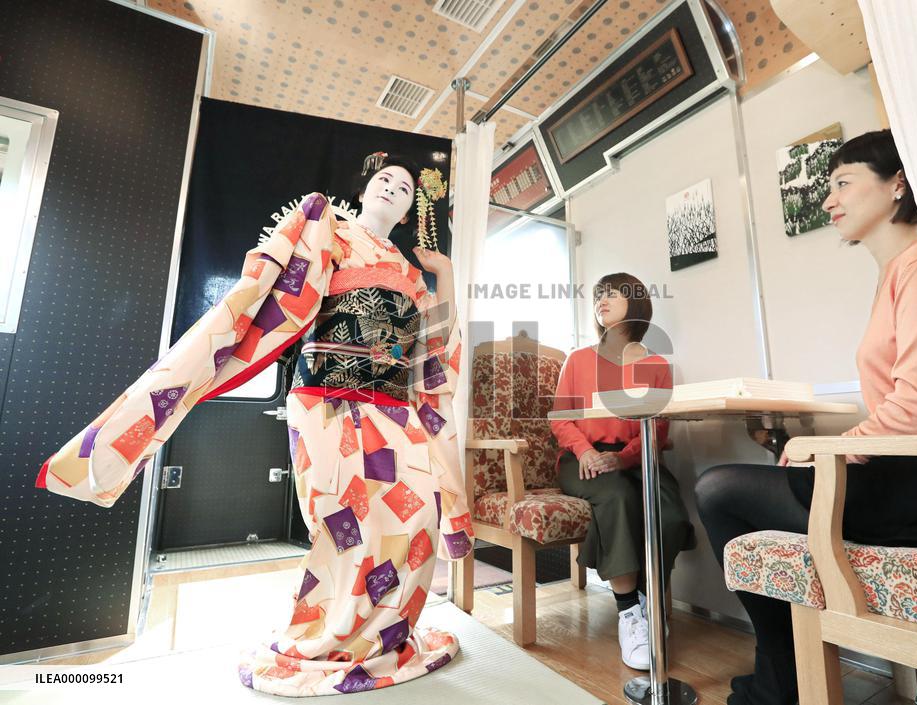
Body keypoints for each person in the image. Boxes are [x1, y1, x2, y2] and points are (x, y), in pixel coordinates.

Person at [35, 153, 473, 696]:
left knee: (418, 519)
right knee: (346, 522)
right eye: (384, 179)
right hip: (327, 399)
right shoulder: (330, 230)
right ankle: (324, 638)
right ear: (364, 191)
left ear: (408, 212)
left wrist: (444, 272)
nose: (391, 188)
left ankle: (384, 637)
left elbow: (437, 346)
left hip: (393, 410)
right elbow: (280, 288)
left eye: (404, 188)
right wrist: (311, 218)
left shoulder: (410, 274)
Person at [695, 129, 917, 705]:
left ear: (897, 184)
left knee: (719, 489)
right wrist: (823, 450)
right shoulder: (899, 271)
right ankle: (782, 676)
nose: (828, 200)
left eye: (843, 182)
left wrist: (828, 449)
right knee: (742, 481)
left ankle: (780, 680)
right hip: (911, 477)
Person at [550, 272, 694, 670]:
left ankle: (647, 596)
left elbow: (658, 428)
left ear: (637, 302)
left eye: (612, 293)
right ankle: (630, 612)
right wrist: (585, 452)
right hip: (582, 459)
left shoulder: (656, 365)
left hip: (635, 458)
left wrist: (625, 458)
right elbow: (561, 419)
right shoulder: (578, 359)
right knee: (617, 495)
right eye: (598, 295)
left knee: (671, 511)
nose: (602, 300)